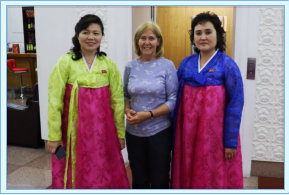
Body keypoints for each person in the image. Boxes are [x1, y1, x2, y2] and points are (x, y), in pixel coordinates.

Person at [46, 14, 129, 189]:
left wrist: (120, 134)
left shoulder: (108, 65)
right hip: (72, 135)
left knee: (103, 172)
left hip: (103, 135)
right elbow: (55, 101)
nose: (91, 37)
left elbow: (117, 102)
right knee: (72, 170)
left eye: (96, 33)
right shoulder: (65, 63)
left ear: (101, 37)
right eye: (86, 32)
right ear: (78, 35)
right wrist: (53, 136)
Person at [171, 11, 244, 189]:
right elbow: (176, 100)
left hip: (215, 138)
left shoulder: (228, 65)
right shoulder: (186, 64)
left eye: (208, 32)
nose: (203, 37)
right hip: (187, 135)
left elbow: (236, 103)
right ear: (193, 37)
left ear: (218, 35)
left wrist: (230, 141)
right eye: (198, 33)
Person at [123, 21, 178, 189]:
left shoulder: (167, 66)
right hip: (133, 134)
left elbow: (173, 100)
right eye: (143, 38)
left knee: (159, 179)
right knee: (139, 179)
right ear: (137, 41)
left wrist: (148, 115)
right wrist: (126, 109)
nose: (147, 42)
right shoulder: (130, 66)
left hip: (159, 133)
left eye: (151, 38)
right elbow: (125, 94)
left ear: (158, 41)